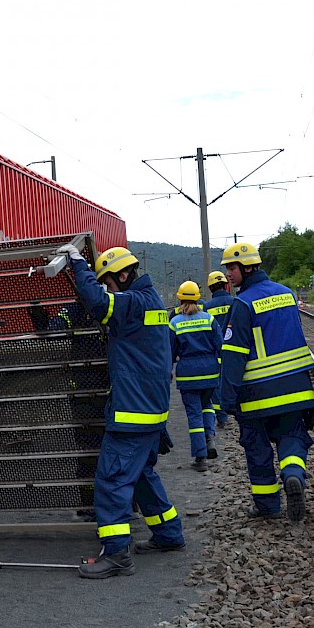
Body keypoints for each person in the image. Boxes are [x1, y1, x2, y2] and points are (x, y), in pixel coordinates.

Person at [55, 244, 184, 579]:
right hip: (150, 409)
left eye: (108, 281)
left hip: (132, 412)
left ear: (123, 274)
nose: (107, 288)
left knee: (111, 480)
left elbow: (98, 305)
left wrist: (79, 263)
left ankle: (116, 555)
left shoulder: (133, 302)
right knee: (141, 476)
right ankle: (170, 535)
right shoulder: (154, 302)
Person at [217, 243, 314, 523]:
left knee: (257, 448)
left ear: (248, 268)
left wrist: (226, 400)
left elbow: (234, 356)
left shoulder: (242, 304)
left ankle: (268, 506)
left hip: (257, 394)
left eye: (232, 269)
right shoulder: (286, 294)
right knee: (292, 437)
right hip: (296, 388)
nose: (228, 275)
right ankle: (294, 475)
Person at [168, 280, 223, 470]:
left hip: (188, 374)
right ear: (198, 298)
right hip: (209, 371)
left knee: (194, 414)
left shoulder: (174, 323)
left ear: (180, 299)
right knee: (207, 405)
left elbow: (170, 352)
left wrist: (169, 372)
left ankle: (201, 457)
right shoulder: (208, 319)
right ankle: (210, 438)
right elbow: (220, 345)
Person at [204, 270, 234, 427]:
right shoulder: (235, 302)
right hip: (235, 351)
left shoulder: (207, 307)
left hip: (214, 353)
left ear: (210, 288)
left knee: (217, 384)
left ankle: (222, 416)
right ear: (226, 285)